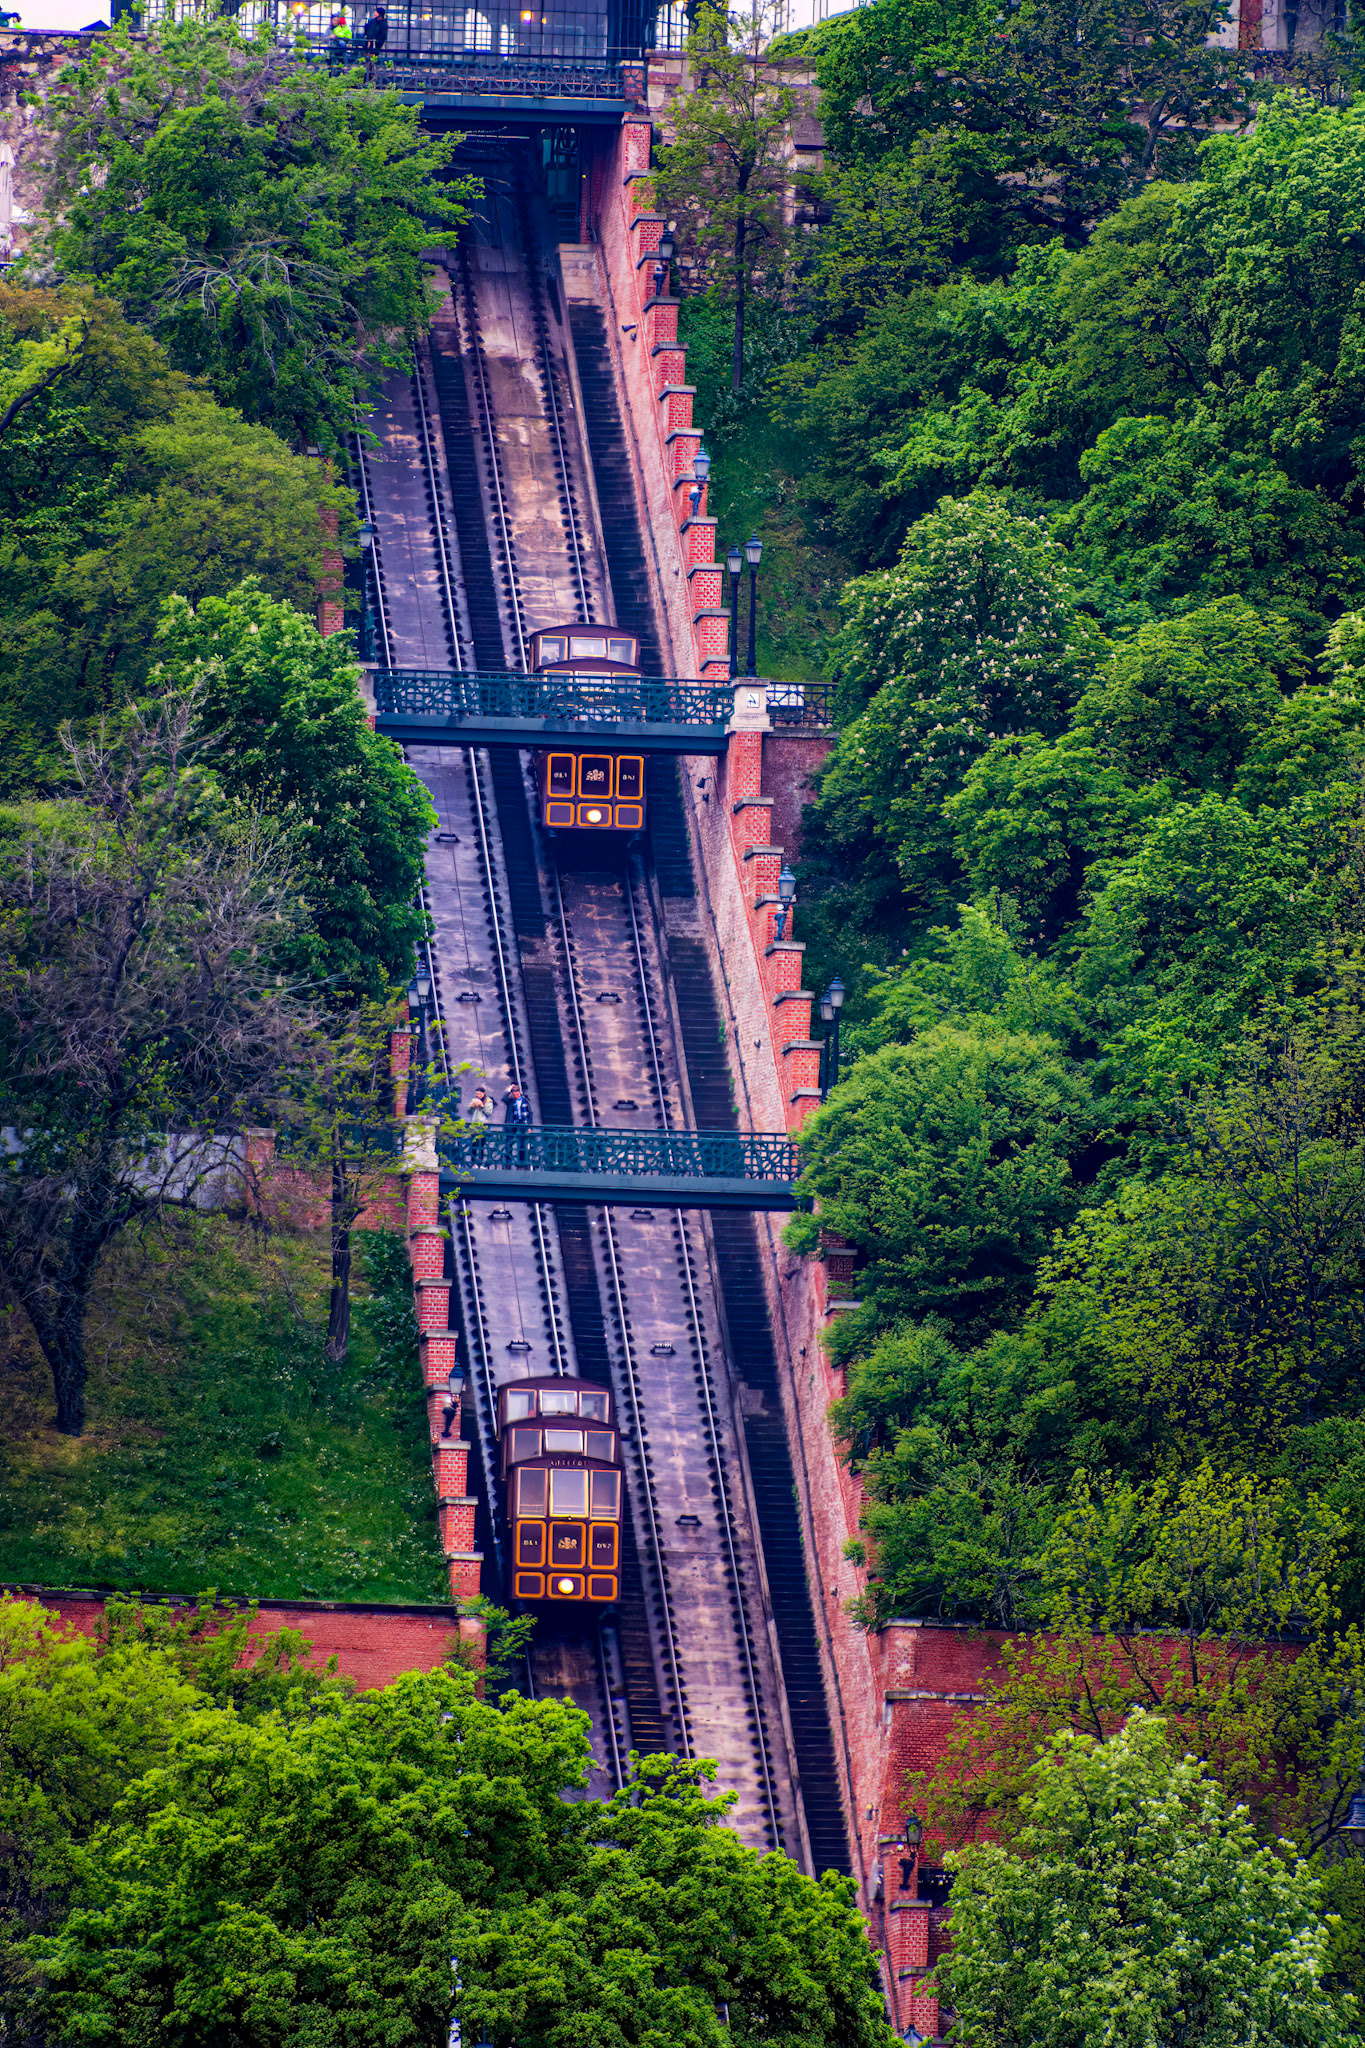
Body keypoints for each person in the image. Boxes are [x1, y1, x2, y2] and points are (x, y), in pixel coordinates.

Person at [502, 1082, 532, 1167]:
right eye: (514, 1094)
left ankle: (521, 1163)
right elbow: (504, 1099)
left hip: (523, 1124)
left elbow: (529, 1113)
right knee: (509, 1143)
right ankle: (508, 1162)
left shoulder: (525, 1100)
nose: (516, 1095)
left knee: (522, 1143)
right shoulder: (511, 1100)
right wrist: (509, 1090)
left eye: (517, 1093)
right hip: (512, 1123)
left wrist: (530, 1126)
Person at [466, 1086, 492, 1155]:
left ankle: (480, 1159)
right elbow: (469, 1112)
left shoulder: (488, 1101)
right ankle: (473, 1159)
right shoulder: (475, 1100)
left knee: (481, 1144)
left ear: (484, 1093)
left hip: (483, 1124)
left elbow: (489, 1112)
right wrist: (471, 1107)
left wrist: (482, 1106)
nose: (478, 1096)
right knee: (473, 1143)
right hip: (474, 1124)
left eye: (480, 1094)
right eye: (477, 1094)